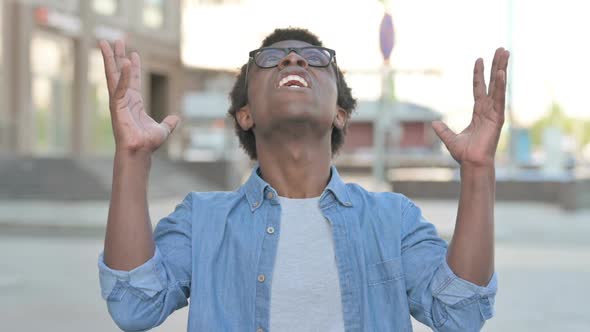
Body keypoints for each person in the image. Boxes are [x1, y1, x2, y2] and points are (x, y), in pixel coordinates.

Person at [98, 27, 509, 331]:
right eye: (271, 58)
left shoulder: (392, 219)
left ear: (339, 113)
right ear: (246, 114)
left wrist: (477, 170)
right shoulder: (202, 220)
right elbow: (134, 305)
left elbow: (460, 312)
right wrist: (131, 157)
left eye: (315, 60)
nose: (293, 60)